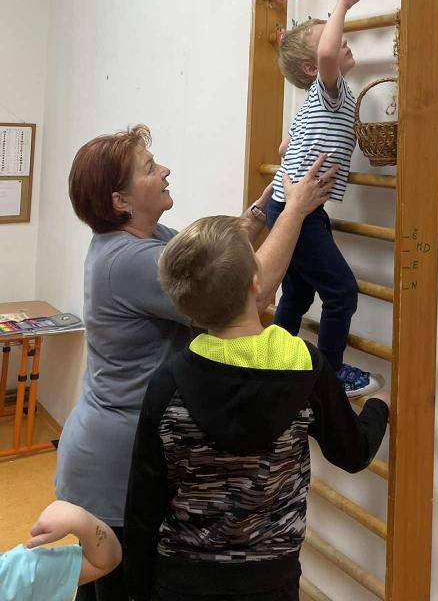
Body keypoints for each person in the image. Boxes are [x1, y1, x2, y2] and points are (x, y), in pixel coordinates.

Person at [55, 124, 337, 601]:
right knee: (120, 590)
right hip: (114, 462)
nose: (164, 170)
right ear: (121, 201)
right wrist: (294, 209)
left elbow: (218, 260)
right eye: (149, 168)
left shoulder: (145, 237)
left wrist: (263, 207)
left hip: (119, 446)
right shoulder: (128, 260)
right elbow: (251, 290)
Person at [124, 214, 389, 601]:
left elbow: (143, 503)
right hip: (272, 579)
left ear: (187, 309)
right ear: (255, 282)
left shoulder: (168, 383)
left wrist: (135, 589)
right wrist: (379, 407)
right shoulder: (304, 367)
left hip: (182, 578)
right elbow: (352, 452)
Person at [269, 0, 381, 396]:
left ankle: (275, 361)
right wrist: (341, 5)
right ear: (313, 68)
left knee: (297, 296)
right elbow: (329, 51)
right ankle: (328, 374)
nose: (341, 39)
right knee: (341, 292)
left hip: (295, 209)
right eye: (330, 36)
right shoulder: (329, 91)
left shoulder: (320, 101)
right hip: (298, 212)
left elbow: (286, 145)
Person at [0, 500, 121, 601]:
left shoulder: (15, 574)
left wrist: (81, 521)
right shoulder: (17, 575)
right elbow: (103, 562)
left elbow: (103, 560)